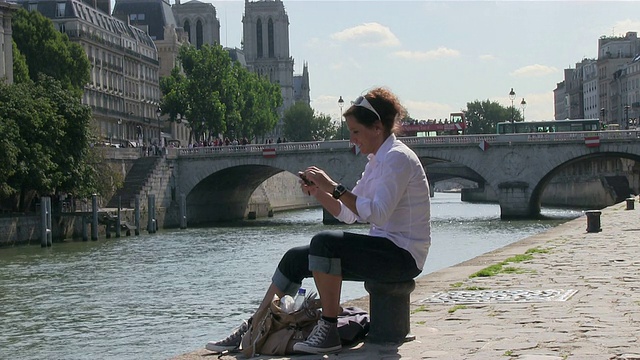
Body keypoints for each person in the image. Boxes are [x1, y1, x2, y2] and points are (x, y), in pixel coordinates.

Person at [205, 87, 431, 355]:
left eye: (356, 132)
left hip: (403, 257)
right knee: (295, 258)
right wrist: (318, 192)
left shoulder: (397, 159)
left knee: (323, 242)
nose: (352, 140)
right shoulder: (377, 162)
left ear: (377, 127)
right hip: (382, 250)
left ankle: (328, 328)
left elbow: (377, 213)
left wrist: (334, 186)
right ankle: (256, 325)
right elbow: (350, 214)